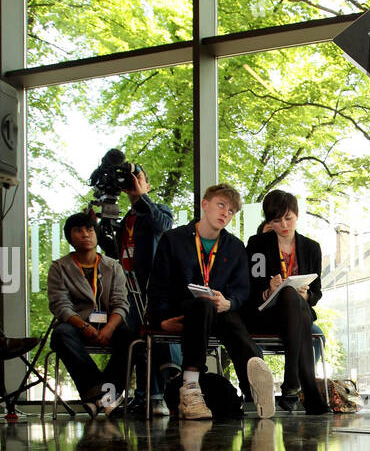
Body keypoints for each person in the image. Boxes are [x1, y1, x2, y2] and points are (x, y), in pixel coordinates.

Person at [147, 183, 276, 420]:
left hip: (219, 314)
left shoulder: (235, 247)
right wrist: (161, 321)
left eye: (231, 211)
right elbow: (157, 286)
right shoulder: (173, 239)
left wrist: (230, 303)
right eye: (221, 205)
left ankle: (255, 386)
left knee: (231, 320)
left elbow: (242, 291)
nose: (225, 213)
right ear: (205, 205)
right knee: (203, 303)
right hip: (183, 313)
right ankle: (190, 389)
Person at [96, 159, 175, 414]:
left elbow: (162, 226)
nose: (133, 183)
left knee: (147, 338)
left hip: (151, 289)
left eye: (138, 178)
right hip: (126, 290)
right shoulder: (124, 219)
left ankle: (151, 396)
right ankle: (131, 396)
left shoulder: (157, 210)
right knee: (131, 339)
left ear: (147, 185)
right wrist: (98, 229)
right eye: (130, 180)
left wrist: (140, 197)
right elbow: (115, 253)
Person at [243, 189, 330, 414]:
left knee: (294, 298)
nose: (283, 225)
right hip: (267, 315)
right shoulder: (258, 244)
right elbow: (250, 288)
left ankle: (293, 383)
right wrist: (267, 290)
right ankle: (302, 388)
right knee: (290, 299)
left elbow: (317, 293)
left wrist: (307, 296)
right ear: (269, 221)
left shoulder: (311, 248)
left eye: (288, 218)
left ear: (297, 215)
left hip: (298, 312)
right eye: (277, 220)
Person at [46, 210, 136, 417]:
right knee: (61, 335)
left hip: (109, 322)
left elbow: (120, 303)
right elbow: (61, 306)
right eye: (78, 230)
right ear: (70, 237)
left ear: (96, 234)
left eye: (89, 229)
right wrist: (84, 326)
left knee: (131, 338)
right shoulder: (60, 267)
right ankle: (101, 394)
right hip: (77, 323)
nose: (85, 234)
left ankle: (100, 398)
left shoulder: (112, 266)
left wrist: (109, 328)